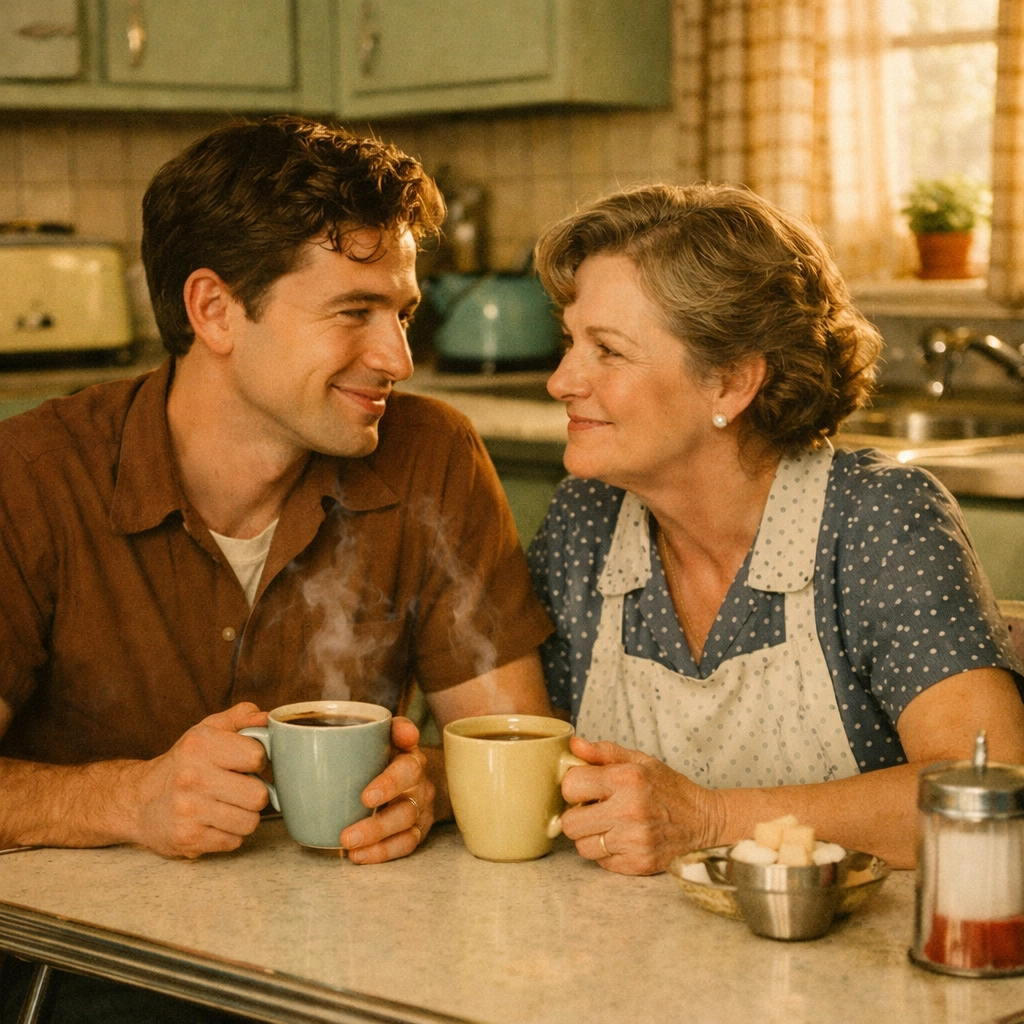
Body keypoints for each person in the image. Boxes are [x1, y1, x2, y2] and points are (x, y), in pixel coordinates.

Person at [0, 116, 553, 1021]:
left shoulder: (430, 455)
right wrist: (124, 799)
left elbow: (514, 743)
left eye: (403, 312)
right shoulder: (30, 477)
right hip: (81, 978)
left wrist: (439, 788)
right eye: (353, 312)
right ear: (214, 309)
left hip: (352, 967)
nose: (398, 360)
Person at [526, 182, 1024, 877]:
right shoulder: (586, 522)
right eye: (570, 341)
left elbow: (988, 791)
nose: (561, 379)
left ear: (730, 383)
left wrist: (709, 819)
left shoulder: (876, 522)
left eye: (607, 350)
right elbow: (534, 755)